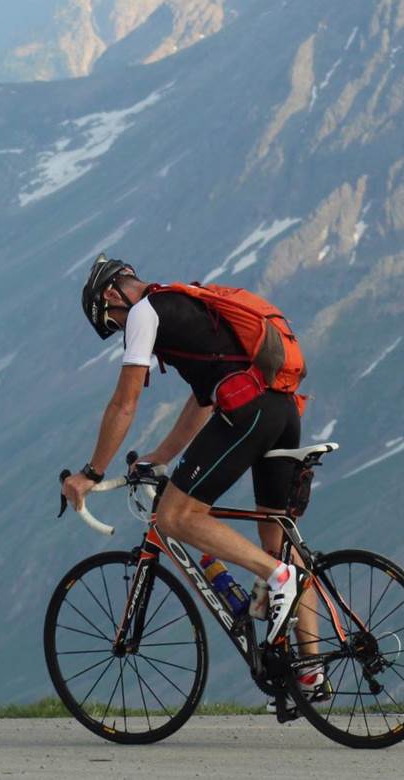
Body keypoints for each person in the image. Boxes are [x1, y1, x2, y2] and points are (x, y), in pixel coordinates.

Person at [62, 255, 321, 690]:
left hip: (250, 413)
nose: (119, 330)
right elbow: (203, 402)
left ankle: (279, 580)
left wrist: (91, 472)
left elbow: (124, 402)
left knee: (174, 517)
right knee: (278, 542)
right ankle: (311, 671)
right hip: (281, 410)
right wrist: (159, 456)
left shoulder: (145, 312)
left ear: (112, 294)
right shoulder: (187, 308)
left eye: (112, 322)